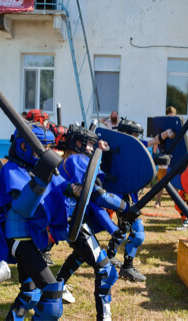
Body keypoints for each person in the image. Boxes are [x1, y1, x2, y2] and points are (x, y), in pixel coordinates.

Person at [0, 122, 71, 321]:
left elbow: (66, 190)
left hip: (35, 238)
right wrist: (41, 179)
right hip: (19, 238)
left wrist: (85, 191)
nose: (42, 152)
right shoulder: (12, 169)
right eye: (38, 147)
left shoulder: (42, 169)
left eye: (46, 147)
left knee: (30, 293)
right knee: (52, 297)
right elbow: (23, 208)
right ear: (23, 146)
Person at [56, 124, 127, 320]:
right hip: (72, 223)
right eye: (89, 144)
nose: (91, 148)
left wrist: (112, 228)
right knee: (105, 269)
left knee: (80, 255)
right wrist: (127, 208)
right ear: (78, 143)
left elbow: (92, 203)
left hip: (75, 222)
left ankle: (58, 285)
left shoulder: (69, 159)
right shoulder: (77, 160)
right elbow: (99, 198)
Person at [106, 118, 175, 282]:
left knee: (123, 230)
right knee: (137, 235)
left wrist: (167, 133)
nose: (137, 138)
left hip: (129, 196)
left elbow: (153, 141)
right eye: (134, 135)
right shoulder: (114, 149)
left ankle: (109, 257)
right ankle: (127, 268)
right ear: (126, 135)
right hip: (122, 196)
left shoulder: (135, 147)